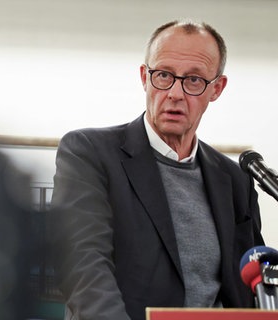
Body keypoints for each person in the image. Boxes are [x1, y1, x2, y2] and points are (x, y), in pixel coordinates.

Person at [49, 19, 265, 320]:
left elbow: (252, 282)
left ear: (216, 88)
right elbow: (83, 265)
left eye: (193, 80)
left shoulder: (235, 180)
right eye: (163, 75)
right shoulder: (90, 152)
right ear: (144, 77)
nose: (175, 93)